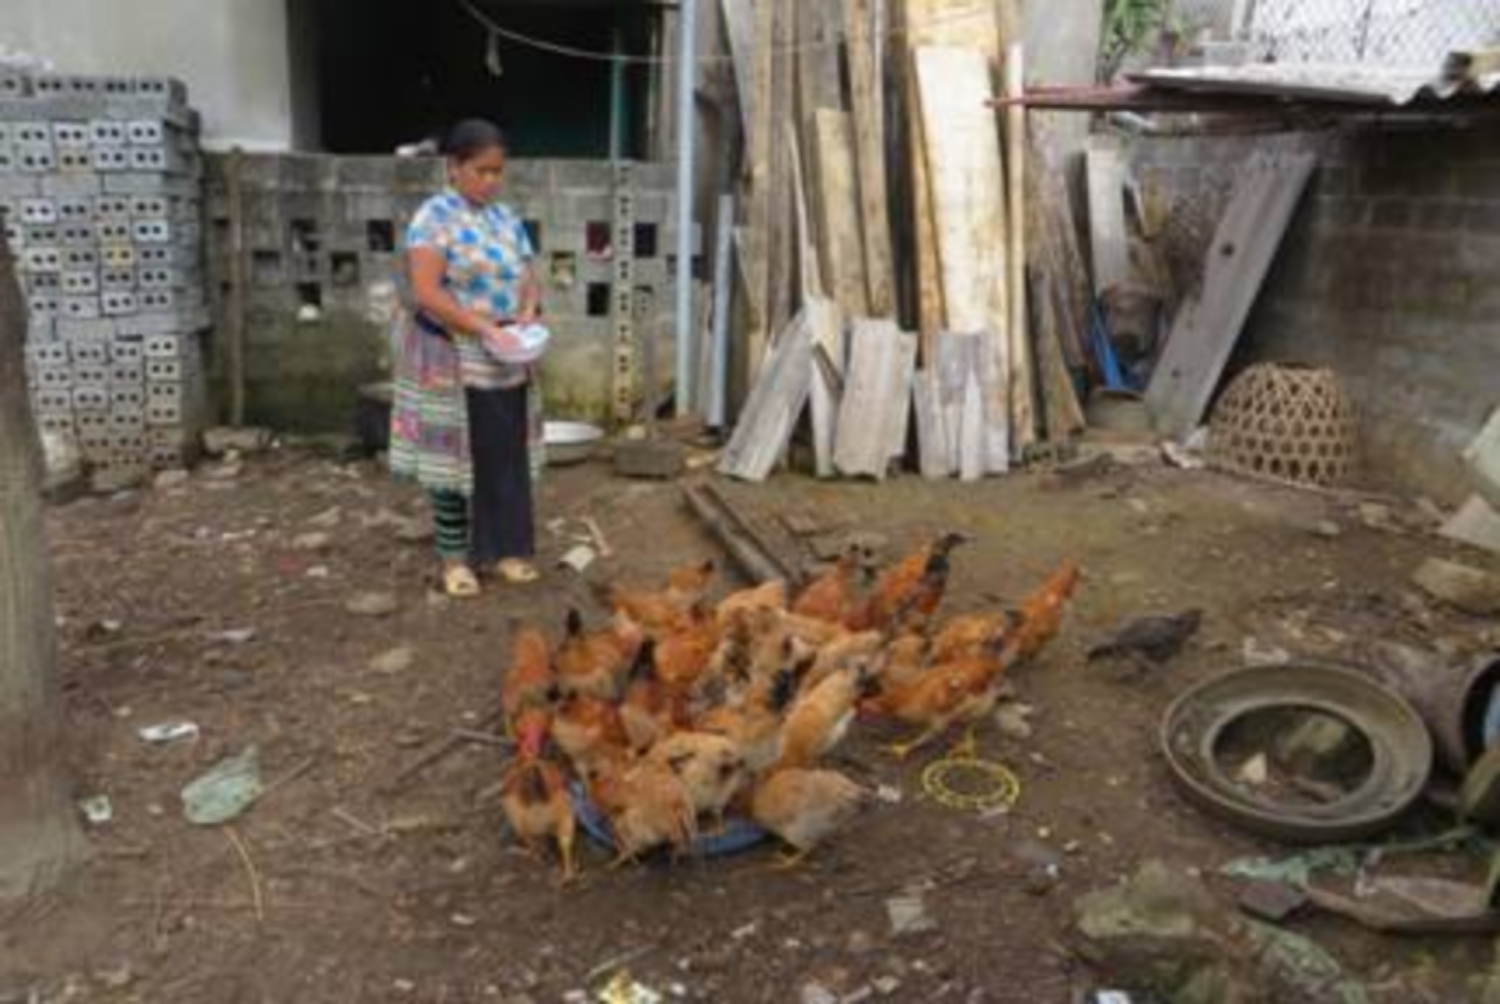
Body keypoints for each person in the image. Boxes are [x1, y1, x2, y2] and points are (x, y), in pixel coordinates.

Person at [389, 119, 543, 598]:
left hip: (504, 354)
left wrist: (525, 313)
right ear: (454, 168)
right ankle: (455, 560)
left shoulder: (505, 218)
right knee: (453, 458)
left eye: (498, 172)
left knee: (505, 453)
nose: (492, 181)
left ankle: (505, 552)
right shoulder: (433, 218)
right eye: (482, 171)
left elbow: (528, 272)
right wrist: (481, 328)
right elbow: (427, 292)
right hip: (450, 353)